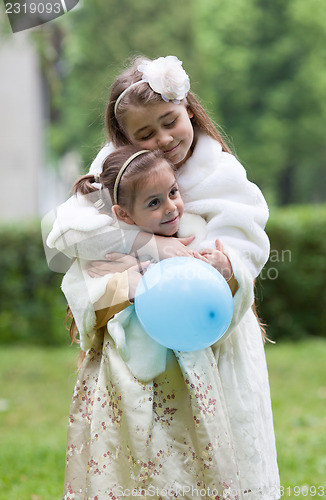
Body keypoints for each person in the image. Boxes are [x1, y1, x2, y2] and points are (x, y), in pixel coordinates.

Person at [46, 55, 280, 499]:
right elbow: (72, 232)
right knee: (157, 463)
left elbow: (247, 239)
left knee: (227, 449)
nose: (163, 139)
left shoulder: (221, 173)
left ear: (189, 108)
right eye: (145, 134)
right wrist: (151, 246)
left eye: (170, 121)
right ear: (125, 139)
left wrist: (227, 264)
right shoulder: (116, 176)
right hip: (142, 346)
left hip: (213, 340)